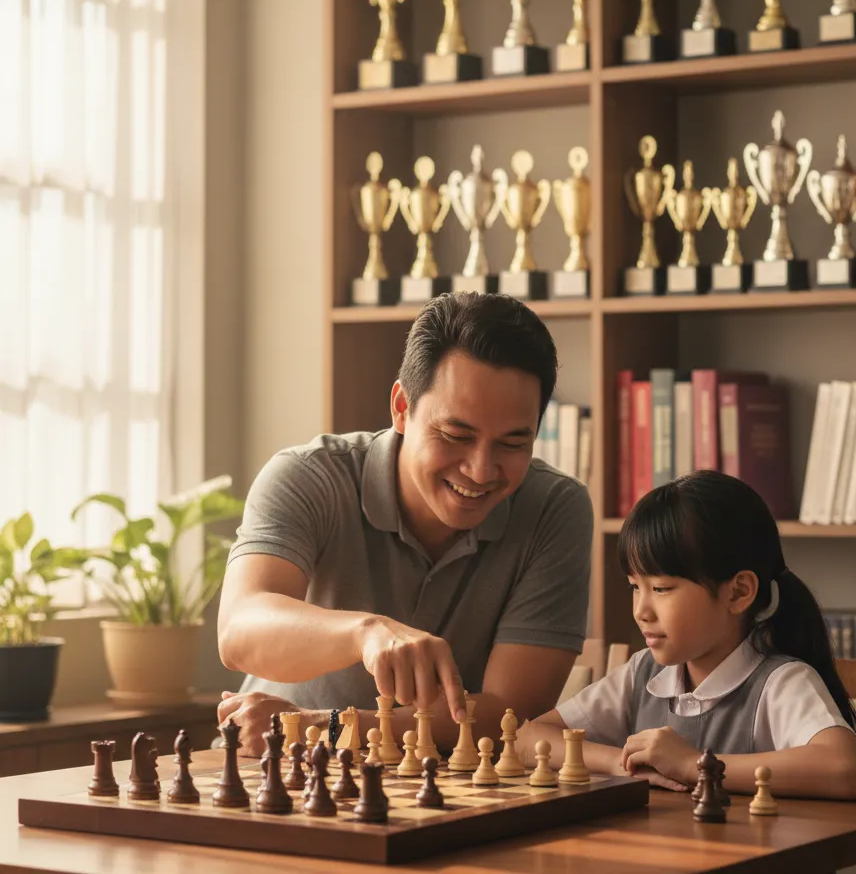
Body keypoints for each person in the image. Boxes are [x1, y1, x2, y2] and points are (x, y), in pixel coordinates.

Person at [216, 292, 593, 757]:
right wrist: (366, 633)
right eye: (456, 436)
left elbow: (508, 714)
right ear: (400, 406)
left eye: (513, 444)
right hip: (277, 770)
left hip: (443, 790)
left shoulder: (556, 508)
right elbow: (238, 632)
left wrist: (322, 728)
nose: (480, 470)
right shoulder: (307, 475)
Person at [517, 471, 856, 799]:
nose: (641, 610)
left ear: (737, 592)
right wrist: (622, 763)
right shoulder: (643, 674)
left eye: (661, 588)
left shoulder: (779, 683)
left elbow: (845, 770)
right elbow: (528, 738)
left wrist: (694, 765)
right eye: (634, 588)